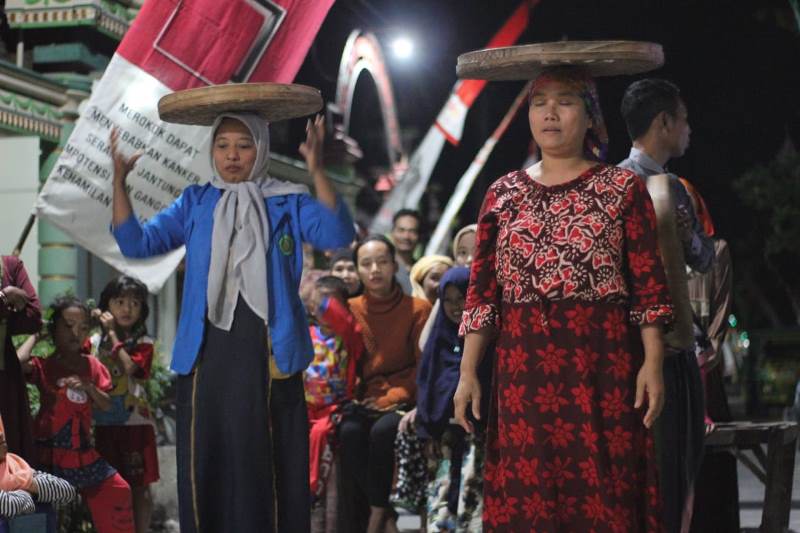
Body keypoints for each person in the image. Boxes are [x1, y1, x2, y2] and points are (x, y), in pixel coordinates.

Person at [110, 111, 354, 532]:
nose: (232, 155)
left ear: (261, 149)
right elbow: (137, 242)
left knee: (267, 454)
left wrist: (317, 170)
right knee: (210, 454)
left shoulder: (287, 200)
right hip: (208, 351)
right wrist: (119, 181)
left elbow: (336, 234)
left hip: (269, 347)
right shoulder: (196, 201)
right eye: (223, 145)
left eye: (244, 144)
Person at [453, 66, 673, 532]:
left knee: (605, 487)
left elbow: (649, 287)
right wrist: (468, 372)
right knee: (530, 491)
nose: (550, 113)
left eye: (566, 101)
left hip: (603, 364)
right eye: (539, 102)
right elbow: (482, 296)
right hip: (522, 370)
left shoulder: (621, 190)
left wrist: (652, 362)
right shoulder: (503, 194)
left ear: (592, 116)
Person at [619, 78, 713, 533]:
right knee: (676, 467)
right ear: (664, 123)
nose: (689, 129)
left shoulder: (611, 182)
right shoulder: (665, 187)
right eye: (684, 119)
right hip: (671, 348)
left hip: (624, 347)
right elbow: (701, 255)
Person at [338, 235, 431, 533]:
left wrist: (395, 395)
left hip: (405, 398)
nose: (375, 269)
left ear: (394, 266)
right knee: (349, 432)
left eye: (382, 262)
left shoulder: (417, 309)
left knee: (383, 431)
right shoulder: (350, 309)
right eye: (366, 264)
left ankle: (378, 516)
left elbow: (423, 365)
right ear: (358, 270)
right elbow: (345, 361)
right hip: (364, 399)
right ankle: (388, 512)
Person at [18, 296, 134, 533]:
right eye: (67, 325)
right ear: (54, 329)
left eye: (82, 327)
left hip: (82, 454)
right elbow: (19, 362)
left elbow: (107, 405)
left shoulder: (92, 366)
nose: (75, 333)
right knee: (38, 510)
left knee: (118, 490)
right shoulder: (45, 365)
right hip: (46, 453)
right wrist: (36, 335)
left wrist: (89, 387)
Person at [88, 275, 158, 533]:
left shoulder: (144, 343)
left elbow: (131, 368)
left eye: (135, 303)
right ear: (107, 306)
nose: (127, 309)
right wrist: (90, 322)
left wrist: (111, 334)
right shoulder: (94, 342)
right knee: (105, 484)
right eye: (119, 302)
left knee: (139, 486)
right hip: (101, 424)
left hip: (135, 425)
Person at [304, 275, 364, 502]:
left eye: (332, 304)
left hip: (333, 407)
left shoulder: (349, 337)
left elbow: (346, 323)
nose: (325, 310)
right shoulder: (306, 334)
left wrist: (321, 301)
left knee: (319, 435)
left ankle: (312, 488)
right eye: (318, 304)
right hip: (306, 404)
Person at [0, 255, 40, 463]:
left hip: (5, 381)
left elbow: (34, 317)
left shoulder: (9, 266)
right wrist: (5, 298)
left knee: (11, 458)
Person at [0, 412, 76, 519]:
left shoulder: (15, 466)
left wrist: (22, 482)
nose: (1, 435)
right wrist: (27, 492)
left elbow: (67, 491)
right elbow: (8, 505)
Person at [390, 209, 423, 294]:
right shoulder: (384, 267)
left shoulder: (423, 271)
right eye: (401, 230)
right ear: (392, 233)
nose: (406, 236)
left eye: (412, 231)